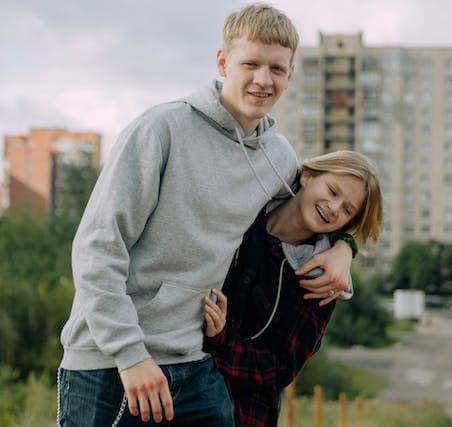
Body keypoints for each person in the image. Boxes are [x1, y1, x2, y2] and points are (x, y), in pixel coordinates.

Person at [56, 4, 356, 426]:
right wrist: (130, 355)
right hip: (110, 364)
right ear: (222, 62)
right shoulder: (162, 128)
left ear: (290, 75)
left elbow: (315, 209)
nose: (263, 80)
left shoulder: (278, 158)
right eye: (250, 64)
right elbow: (97, 247)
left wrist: (346, 247)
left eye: (276, 68)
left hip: (193, 363)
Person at [202, 151, 383, 427]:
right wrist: (347, 245)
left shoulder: (322, 279)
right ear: (307, 176)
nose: (334, 208)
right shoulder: (248, 204)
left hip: (243, 411)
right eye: (332, 191)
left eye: (347, 210)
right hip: (173, 378)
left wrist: (221, 339)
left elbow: (280, 369)